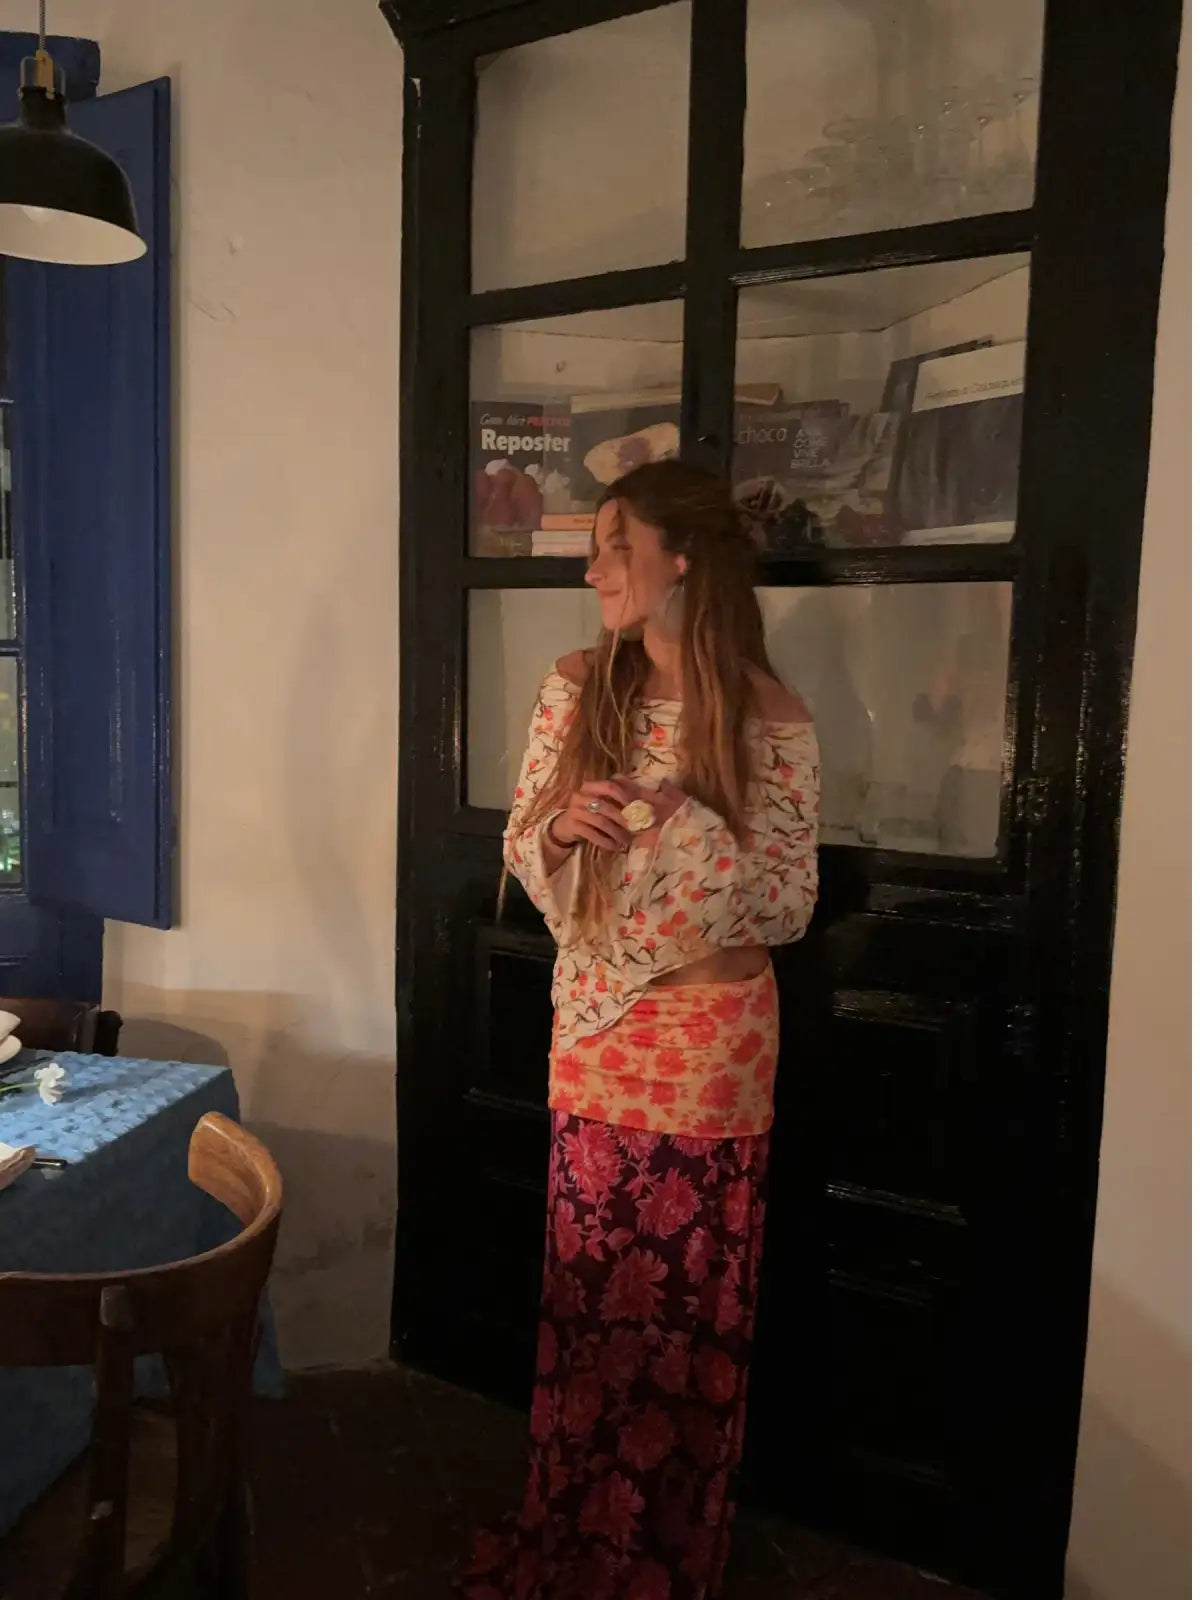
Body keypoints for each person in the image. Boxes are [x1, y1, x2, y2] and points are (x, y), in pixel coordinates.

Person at [463, 459, 820, 1600]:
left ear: (683, 560)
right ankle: (576, 1542)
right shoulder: (577, 687)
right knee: (591, 1291)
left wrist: (689, 829)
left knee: (688, 1308)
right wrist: (564, 829)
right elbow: (521, 849)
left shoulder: (769, 712)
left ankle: (664, 1562)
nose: (592, 572)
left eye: (613, 547)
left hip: (713, 1044)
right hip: (597, 1031)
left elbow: (788, 904)